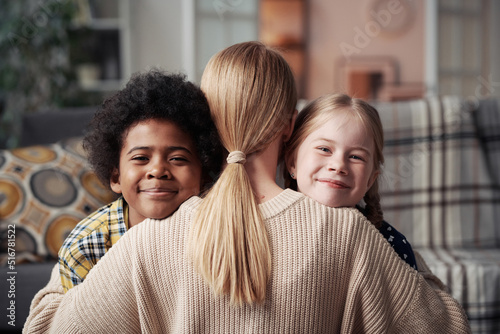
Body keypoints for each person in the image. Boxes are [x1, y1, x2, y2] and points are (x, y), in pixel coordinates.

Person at [23, 42, 470, 333]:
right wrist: (423, 276)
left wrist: (55, 288)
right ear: (289, 126)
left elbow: (45, 328)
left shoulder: (146, 242)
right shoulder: (347, 234)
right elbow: (448, 327)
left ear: (207, 124)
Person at [58, 69, 223, 292]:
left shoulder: (221, 233)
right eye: (141, 158)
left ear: (204, 174)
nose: (157, 170)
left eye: (177, 158)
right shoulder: (86, 248)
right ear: (115, 176)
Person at [283, 93, 417, 269]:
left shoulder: (391, 246)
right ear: (292, 162)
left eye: (355, 156)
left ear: (370, 179)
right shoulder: (266, 232)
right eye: (324, 149)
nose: (338, 166)